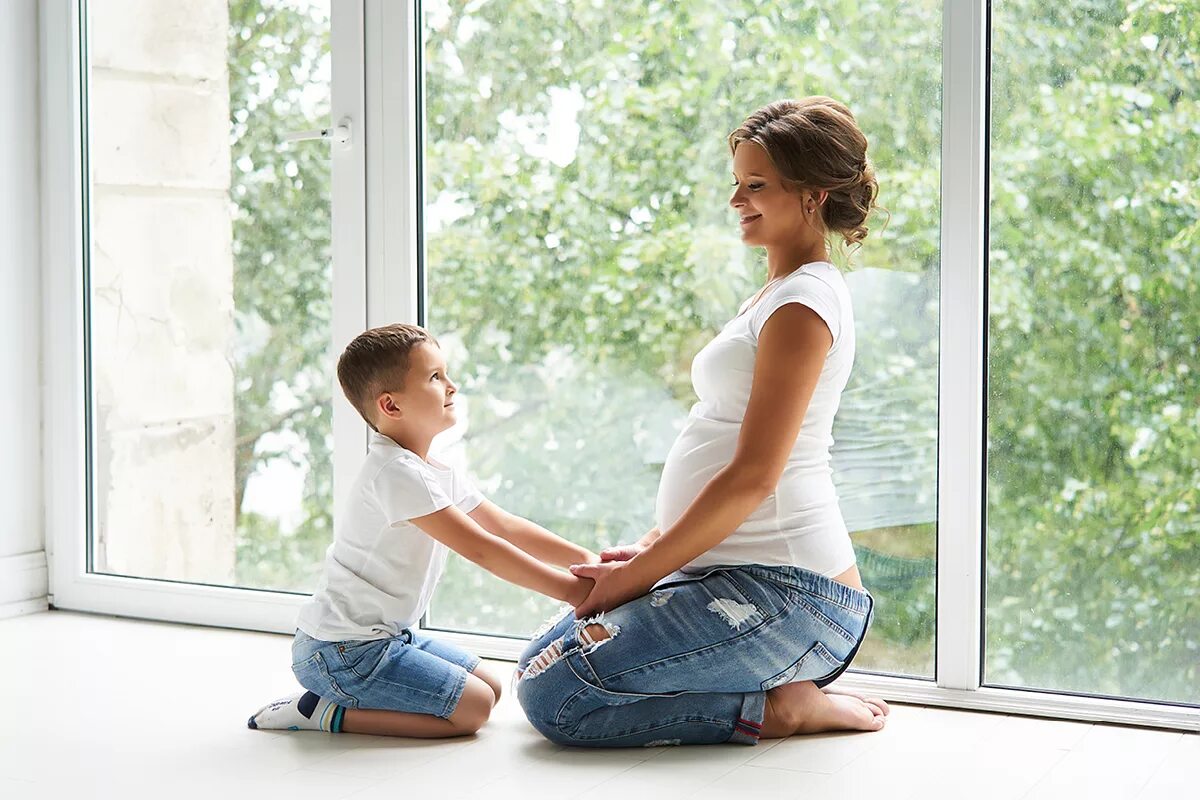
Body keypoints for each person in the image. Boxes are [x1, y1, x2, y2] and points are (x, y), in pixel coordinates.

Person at [516, 97, 891, 746]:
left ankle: (783, 710)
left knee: (558, 695)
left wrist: (640, 575)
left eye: (756, 185)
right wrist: (657, 546)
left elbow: (752, 476)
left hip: (792, 596)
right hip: (720, 575)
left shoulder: (804, 305)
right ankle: (767, 690)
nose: (736, 200)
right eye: (736, 183)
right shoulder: (775, 294)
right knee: (540, 664)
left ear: (813, 196)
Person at [248, 324, 597, 737]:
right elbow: (483, 548)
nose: (452, 386)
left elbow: (503, 526)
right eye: (435, 377)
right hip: (341, 652)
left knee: (491, 686)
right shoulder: (394, 473)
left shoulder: (430, 470)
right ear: (391, 406)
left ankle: (342, 698)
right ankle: (317, 712)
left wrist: (589, 561)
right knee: (473, 710)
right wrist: (574, 591)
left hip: (389, 637)